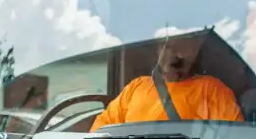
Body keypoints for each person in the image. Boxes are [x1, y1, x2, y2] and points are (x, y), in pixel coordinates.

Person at [90, 33, 243, 132]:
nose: (169, 52)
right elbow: (100, 130)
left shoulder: (212, 90)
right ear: (157, 51)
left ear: (193, 53)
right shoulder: (136, 87)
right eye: (164, 45)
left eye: (179, 47)